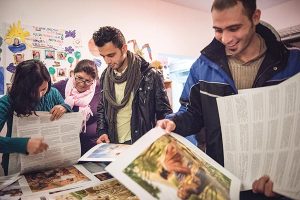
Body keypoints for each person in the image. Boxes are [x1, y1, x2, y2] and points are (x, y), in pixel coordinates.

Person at [157, 0, 300, 199]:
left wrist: (291, 177)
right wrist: (174, 122)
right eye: (218, 30)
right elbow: (192, 113)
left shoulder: (294, 63)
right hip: (221, 182)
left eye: (234, 28)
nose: (225, 39)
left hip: (276, 186)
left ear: (255, 17)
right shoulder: (202, 66)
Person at [92, 26, 172, 144]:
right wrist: (102, 131)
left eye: (111, 55)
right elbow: (102, 107)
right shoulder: (105, 76)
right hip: (113, 143)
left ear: (124, 48)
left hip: (142, 142)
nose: (107, 61)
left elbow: (164, 112)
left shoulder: (149, 74)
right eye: (103, 56)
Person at [0, 59, 72, 175]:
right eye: (33, 92)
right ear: (22, 88)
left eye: (43, 89)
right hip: (17, 164)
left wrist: (65, 107)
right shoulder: (8, 101)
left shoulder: (53, 92)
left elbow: (68, 119)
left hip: (49, 160)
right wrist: (24, 144)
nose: (40, 95)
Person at [53, 59, 100, 155]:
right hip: (64, 146)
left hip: (91, 147)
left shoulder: (99, 89)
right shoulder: (58, 88)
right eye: (79, 78)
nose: (82, 84)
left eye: (88, 81)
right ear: (73, 74)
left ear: (94, 81)